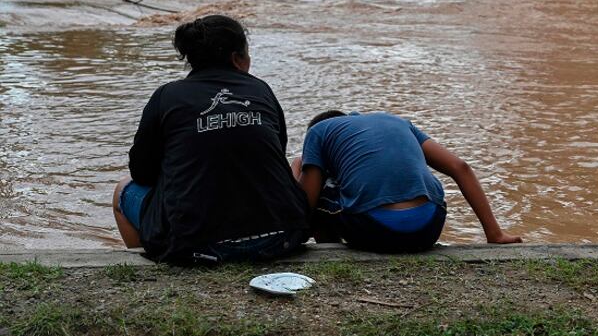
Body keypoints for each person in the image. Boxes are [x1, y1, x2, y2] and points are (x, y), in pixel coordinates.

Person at [112, 15, 309, 263]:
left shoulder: (167, 96)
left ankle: (154, 265)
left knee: (122, 191)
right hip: (282, 237)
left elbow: (141, 172)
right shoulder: (260, 90)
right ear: (237, 59)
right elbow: (276, 152)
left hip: (194, 247)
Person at [294, 111, 522, 253]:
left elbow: (306, 202)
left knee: (315, 190)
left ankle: (328, 253)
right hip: (428, 229)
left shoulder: (318, 131)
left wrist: (298, 166)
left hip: (374, 232)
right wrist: (495, 234)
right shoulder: (397, 122)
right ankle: (494, 233)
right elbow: (460, 167)